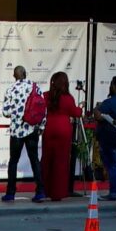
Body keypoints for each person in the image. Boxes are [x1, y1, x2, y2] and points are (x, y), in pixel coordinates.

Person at [1, 64, 44, 203]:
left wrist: (16, 111)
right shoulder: (35, 87)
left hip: (17, 131)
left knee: (13, 162)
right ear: (26, 74)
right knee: (35, 160)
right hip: (32, 129)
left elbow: (6, 112)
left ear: (14, 76)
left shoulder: (11, 89)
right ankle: (40, 191)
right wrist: (41, 126)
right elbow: (43, 108)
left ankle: (10, 193)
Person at [42, 71, 81, 201]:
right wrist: (80, 108)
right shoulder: (68, 98)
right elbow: (75, 113)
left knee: (47, 160)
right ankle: (57, 193)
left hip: (48, 129)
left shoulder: (45, 96)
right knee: (61, 162)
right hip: (64, 130)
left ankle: (44, 190)